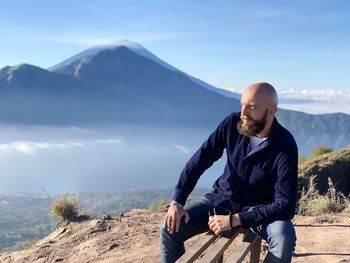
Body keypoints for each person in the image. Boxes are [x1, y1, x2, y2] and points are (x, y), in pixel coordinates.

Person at [160, 82, 298, 263]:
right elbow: (200, 159)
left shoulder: (285, 144)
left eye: (252, 107)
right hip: (221, 200)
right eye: (242, 105)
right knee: (168, 228)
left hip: (259, 209)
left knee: (284, 238)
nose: (243, 113)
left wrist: (235, 220)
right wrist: (177, 201)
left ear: (271, 111)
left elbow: (286, 206)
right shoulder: (232, 123)